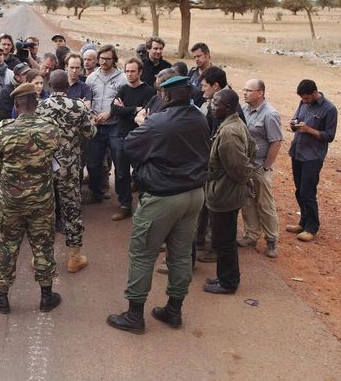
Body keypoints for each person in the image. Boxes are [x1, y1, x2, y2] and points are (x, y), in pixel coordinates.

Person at [106, 76, 209, 334]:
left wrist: (142, 123)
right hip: (194, 194)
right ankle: (174, 310)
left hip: (163, 196)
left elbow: (130, 147)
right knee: (181, 253)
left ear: (166, 96)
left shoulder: (158, 123)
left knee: (142, 254)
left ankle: (134, 315)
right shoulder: (199, 118)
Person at [0, 83, 61, 314]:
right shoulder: (50, 128)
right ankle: (47, 296)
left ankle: (1, 296)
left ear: (16, 105)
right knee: (43, 244)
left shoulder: (5, 129)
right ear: (36, 104)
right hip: (41, 200)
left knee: (7, 246)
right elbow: (54, 153)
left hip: (11, 200)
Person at [36, 70, 96, 273]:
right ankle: (74, 257)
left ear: (50, 86)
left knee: (44, 212)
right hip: (69, 168)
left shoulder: (39, 106)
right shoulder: (78, 106)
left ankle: (42, 258)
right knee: (71, 210)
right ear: (67, 87)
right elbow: (90, 132)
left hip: (44, 167)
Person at [203, 88, 256, 295]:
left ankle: (228, 282)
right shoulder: (232, 124)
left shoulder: (229, 132)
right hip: (226, 191)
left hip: (226, 194)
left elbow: (240, 169)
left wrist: (238, 184)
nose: (212, 107)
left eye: (216, 104)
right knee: (224, 239)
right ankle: (225, 276)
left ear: (228, 107)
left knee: (224, 241)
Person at [285, 79, 338, 242]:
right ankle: (303, 222)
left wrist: (308, 129)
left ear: (314, 93)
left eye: (306, 98)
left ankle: (312, 227)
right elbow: (296, 119)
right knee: (299, 190)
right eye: (302, 99)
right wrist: (294, 125)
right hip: (298, 152)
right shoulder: (303, 102)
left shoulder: (329, 109)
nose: (304, 101)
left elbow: (329, 136)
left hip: (313, 156)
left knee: (308, 192)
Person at [237, 79, 283, 258]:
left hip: (260, 166)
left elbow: (276, 142)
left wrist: (266, 167)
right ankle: (251, 235)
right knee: (247, 201)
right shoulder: (244, 109)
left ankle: (272, 240)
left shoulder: (270, 114)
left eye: (249, 90)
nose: (245, 93)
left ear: (260, 93)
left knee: (265, 203)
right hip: (246, 165)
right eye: (245, 89)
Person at [110, 58, 156, 221]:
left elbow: (144, 113)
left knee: (142, 174)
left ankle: (144, 208)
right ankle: (125, 206)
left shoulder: (148, 91)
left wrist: (126, 110)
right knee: (121, 174)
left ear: (140, 72)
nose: (129, 74)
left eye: (133, 71)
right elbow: (114, 109)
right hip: (121, 136)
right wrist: (134, 109)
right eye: (127, 71)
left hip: (140, 139)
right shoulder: (123, 89)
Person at [84, 45, 126, 204]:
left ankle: (123, 200)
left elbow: (124, 102)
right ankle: (96, 193)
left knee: (119, 161)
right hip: (96, 125)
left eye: (108, 59)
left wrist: (111, 112)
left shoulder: (122, 79)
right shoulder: (91, 78)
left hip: (115, 125)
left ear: (114, 60)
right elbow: (88, 100)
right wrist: (92, 115)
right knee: (93, 163)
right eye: (101, 58)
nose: (104, 61)